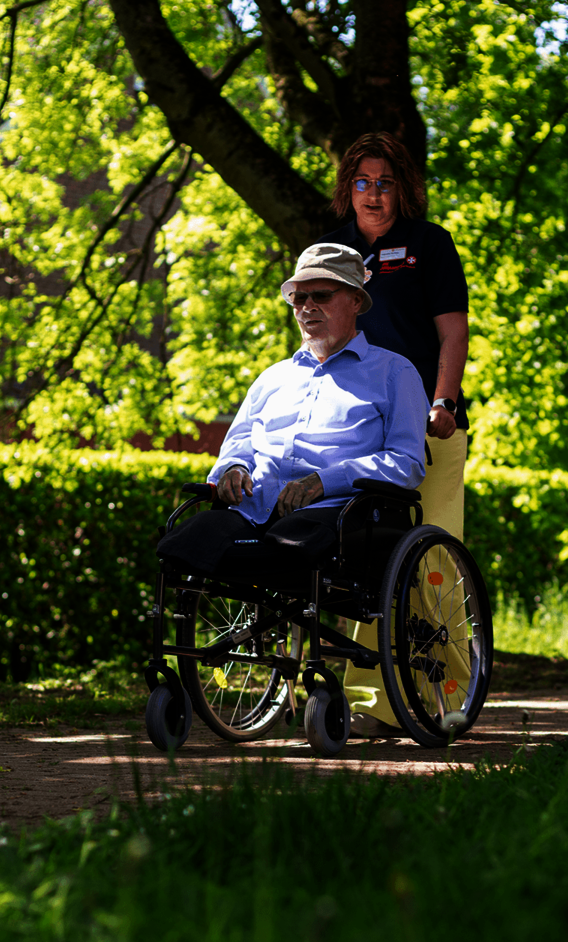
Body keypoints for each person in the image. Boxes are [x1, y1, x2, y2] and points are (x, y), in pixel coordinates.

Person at [322, 131, 471, 737]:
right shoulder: (335, 253)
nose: (374, 194)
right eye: (363, 182)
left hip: (428, 427)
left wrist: (444, 401)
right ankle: (367, 704)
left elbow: (453, 336)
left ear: (401, 188)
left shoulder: (428, 246)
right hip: (361, 431)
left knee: (433, 567)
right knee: (360, 565)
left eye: (385, 183)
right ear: (348, 191)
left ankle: (449, 696)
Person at [158, 242, 429, 574]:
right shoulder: (273, 377)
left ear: (356, 300)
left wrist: (324, 481)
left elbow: (407, 463)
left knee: (289, 547)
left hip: (336, 513)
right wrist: (233, 467)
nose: (307, 306)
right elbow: (240, 441)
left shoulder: (395, 373)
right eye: (299, 298)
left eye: (321, 295)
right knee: (181, 543)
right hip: (253, 510)